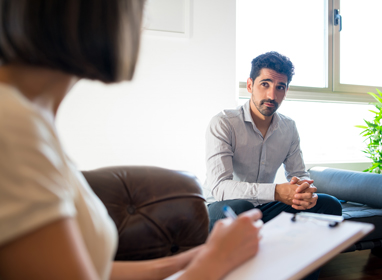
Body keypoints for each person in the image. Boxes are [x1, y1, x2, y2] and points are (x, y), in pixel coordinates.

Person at [0, 1, 263, 280]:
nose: (144, 20)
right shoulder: (12, 124)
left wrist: (197, 257)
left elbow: (90, 271)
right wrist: (215, 263)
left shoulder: (27, 118)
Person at [204, 51, 342, 230]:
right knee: (243, 209)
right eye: (265, 84)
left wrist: (305, 193)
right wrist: (276, 192)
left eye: (280, 87)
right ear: (249, 85)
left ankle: (303, 257)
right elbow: (221, 188)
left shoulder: (289, 127)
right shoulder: (224, 122)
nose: (272, 95)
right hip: (221, 208)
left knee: (329, 204)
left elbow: (299, 174)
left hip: (263, 207)